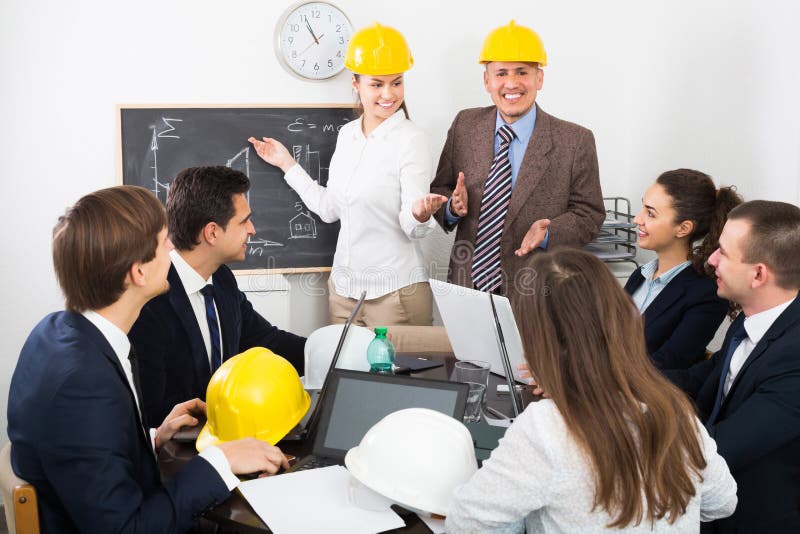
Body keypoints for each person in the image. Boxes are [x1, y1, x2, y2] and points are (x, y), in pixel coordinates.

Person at [7, 186, 290, 534]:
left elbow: (84, 450)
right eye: (163, 242)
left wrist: (152, 437)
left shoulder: (54, 331)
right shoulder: (84, 385)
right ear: (138, 272)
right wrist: (221, 460)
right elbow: (128, 529)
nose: (172, 248)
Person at [446, 249, 737, 532]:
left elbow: (466, 524)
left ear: (538, 337)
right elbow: (722, 503)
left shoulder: (547, 427)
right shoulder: (676, 412)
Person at [249, 22, 446, 326]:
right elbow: (329, 209)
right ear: (356, 83)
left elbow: (412, 228)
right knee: (337, 359)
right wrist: (287, 164)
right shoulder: (347, 135)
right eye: (376, 84)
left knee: (395, 362)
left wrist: (420, 214)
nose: (388, 94)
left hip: (395, 295)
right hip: (343, 292)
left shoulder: (411, 139)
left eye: (396, 83)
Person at [430, 21, 604, 297]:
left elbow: (589, 215)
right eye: (501, 73)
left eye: (522, 72)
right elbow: (440, 189)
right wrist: (451, 207)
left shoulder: (575, 141)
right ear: (487, 81)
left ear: (539, 79)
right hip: (467, 286)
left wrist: (549, 233)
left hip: (537, 292)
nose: (511, 83)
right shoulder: (465, 125)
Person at [129, 166, 306, 425]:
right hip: (181, 442)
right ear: (212, 232)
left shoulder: (222, 279)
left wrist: (332, 354)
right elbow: (151, 410)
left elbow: (266, 341)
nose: (252, 230)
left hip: (225, 433)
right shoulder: (151, 301)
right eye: (244, 221)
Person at [666, 200, 800, 532]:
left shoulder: (795, 357)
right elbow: (700, 378)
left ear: (758, 274)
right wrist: (605, 382)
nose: (711, 260)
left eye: (723, 253)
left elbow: (717, 450)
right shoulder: (751, 316)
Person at [625, 169, 742, 369]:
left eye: (650, 213)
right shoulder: (640, 275)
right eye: (643, 208)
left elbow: (666, 364)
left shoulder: (706, 295)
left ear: (683, 228)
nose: (637, 219)